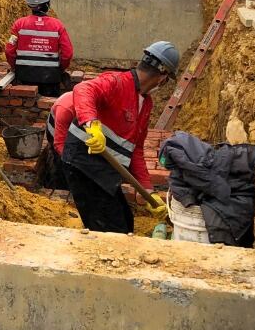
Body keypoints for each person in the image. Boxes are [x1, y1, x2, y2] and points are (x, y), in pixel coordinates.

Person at [59, 41, 178, 233]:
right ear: (163, 77)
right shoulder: (117, 82)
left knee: (125, 221)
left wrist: (148, 191)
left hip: (107, 170)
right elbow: (83, 90)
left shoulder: (145, 104)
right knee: (109, 229)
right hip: (83, 164)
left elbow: (136, 150)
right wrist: (92, 125)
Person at [5, 0, 74, 92]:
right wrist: (60, 69)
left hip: (24, 76)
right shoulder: (57, 25)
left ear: (29, 5)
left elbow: (9, 51)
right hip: (51, 77)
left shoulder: (19, 24)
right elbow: (67, 53)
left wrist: (16, 67)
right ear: (46, 4)